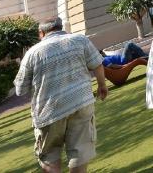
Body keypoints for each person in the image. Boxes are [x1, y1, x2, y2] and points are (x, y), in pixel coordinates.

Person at [14, 18, 107, 173]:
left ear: (41, 33)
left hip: (48, 112)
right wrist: (102, 85)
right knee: (80, 151)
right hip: (81, 103)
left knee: (49, 156)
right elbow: (97, 64)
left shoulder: (32, 53)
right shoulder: (80, 40)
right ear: (60, 27)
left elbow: (20, 89)